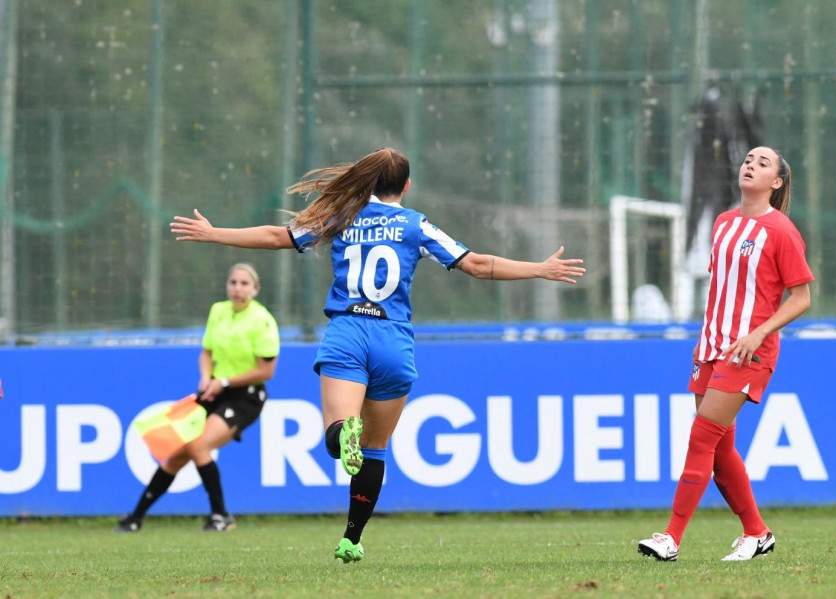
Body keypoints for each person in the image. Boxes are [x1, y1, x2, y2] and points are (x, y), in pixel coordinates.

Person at [169, 147, 585, 562]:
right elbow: (476, 264)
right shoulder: (415, 224)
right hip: (394, 341)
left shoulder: (341, 215)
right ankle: (352, 537)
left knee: (338, 434)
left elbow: (278, 237)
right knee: (375, 448)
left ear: (368, 180)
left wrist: (216, 232)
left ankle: (340, 433)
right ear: (406, 185)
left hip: (348, 332)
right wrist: (540, 268)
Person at [638, 146, 813, 562]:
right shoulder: (723, 223)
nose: (751, 164)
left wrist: (759, 333)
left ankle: (671, 538)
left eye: (763, 163)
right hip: (711, 346)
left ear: (777, 182)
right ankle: (757, 532)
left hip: (748, 353)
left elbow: (801, 297)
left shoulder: (782, 230)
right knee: (719, 450)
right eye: (749, 159)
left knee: (701, 438)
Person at [116, 263, 280, 532]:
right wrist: (206, 376)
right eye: (233, 282)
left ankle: (220, 515)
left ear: (255, 289)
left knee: (198, 445)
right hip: (214, 390)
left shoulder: (262, 320)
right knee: (177, 453)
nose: (237, 289)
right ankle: (135, 518)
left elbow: (267, 370)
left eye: (244, 284)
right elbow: (206, 353)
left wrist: (223, 381)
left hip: (246, 397)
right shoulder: (218, 311)